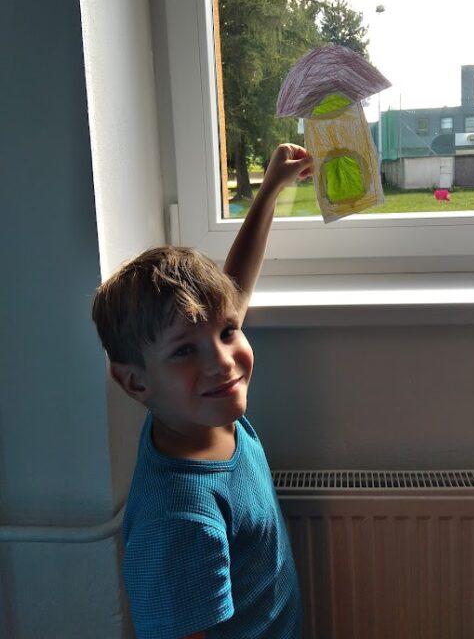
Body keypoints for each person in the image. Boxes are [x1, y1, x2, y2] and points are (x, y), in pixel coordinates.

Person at [92, 144, 312, 639]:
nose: (222, 361)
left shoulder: (189, 412)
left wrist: (269, 191)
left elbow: (233, 293)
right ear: (135, 381)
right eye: (185, 351)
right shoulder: (179, 520)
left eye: (228, 332)